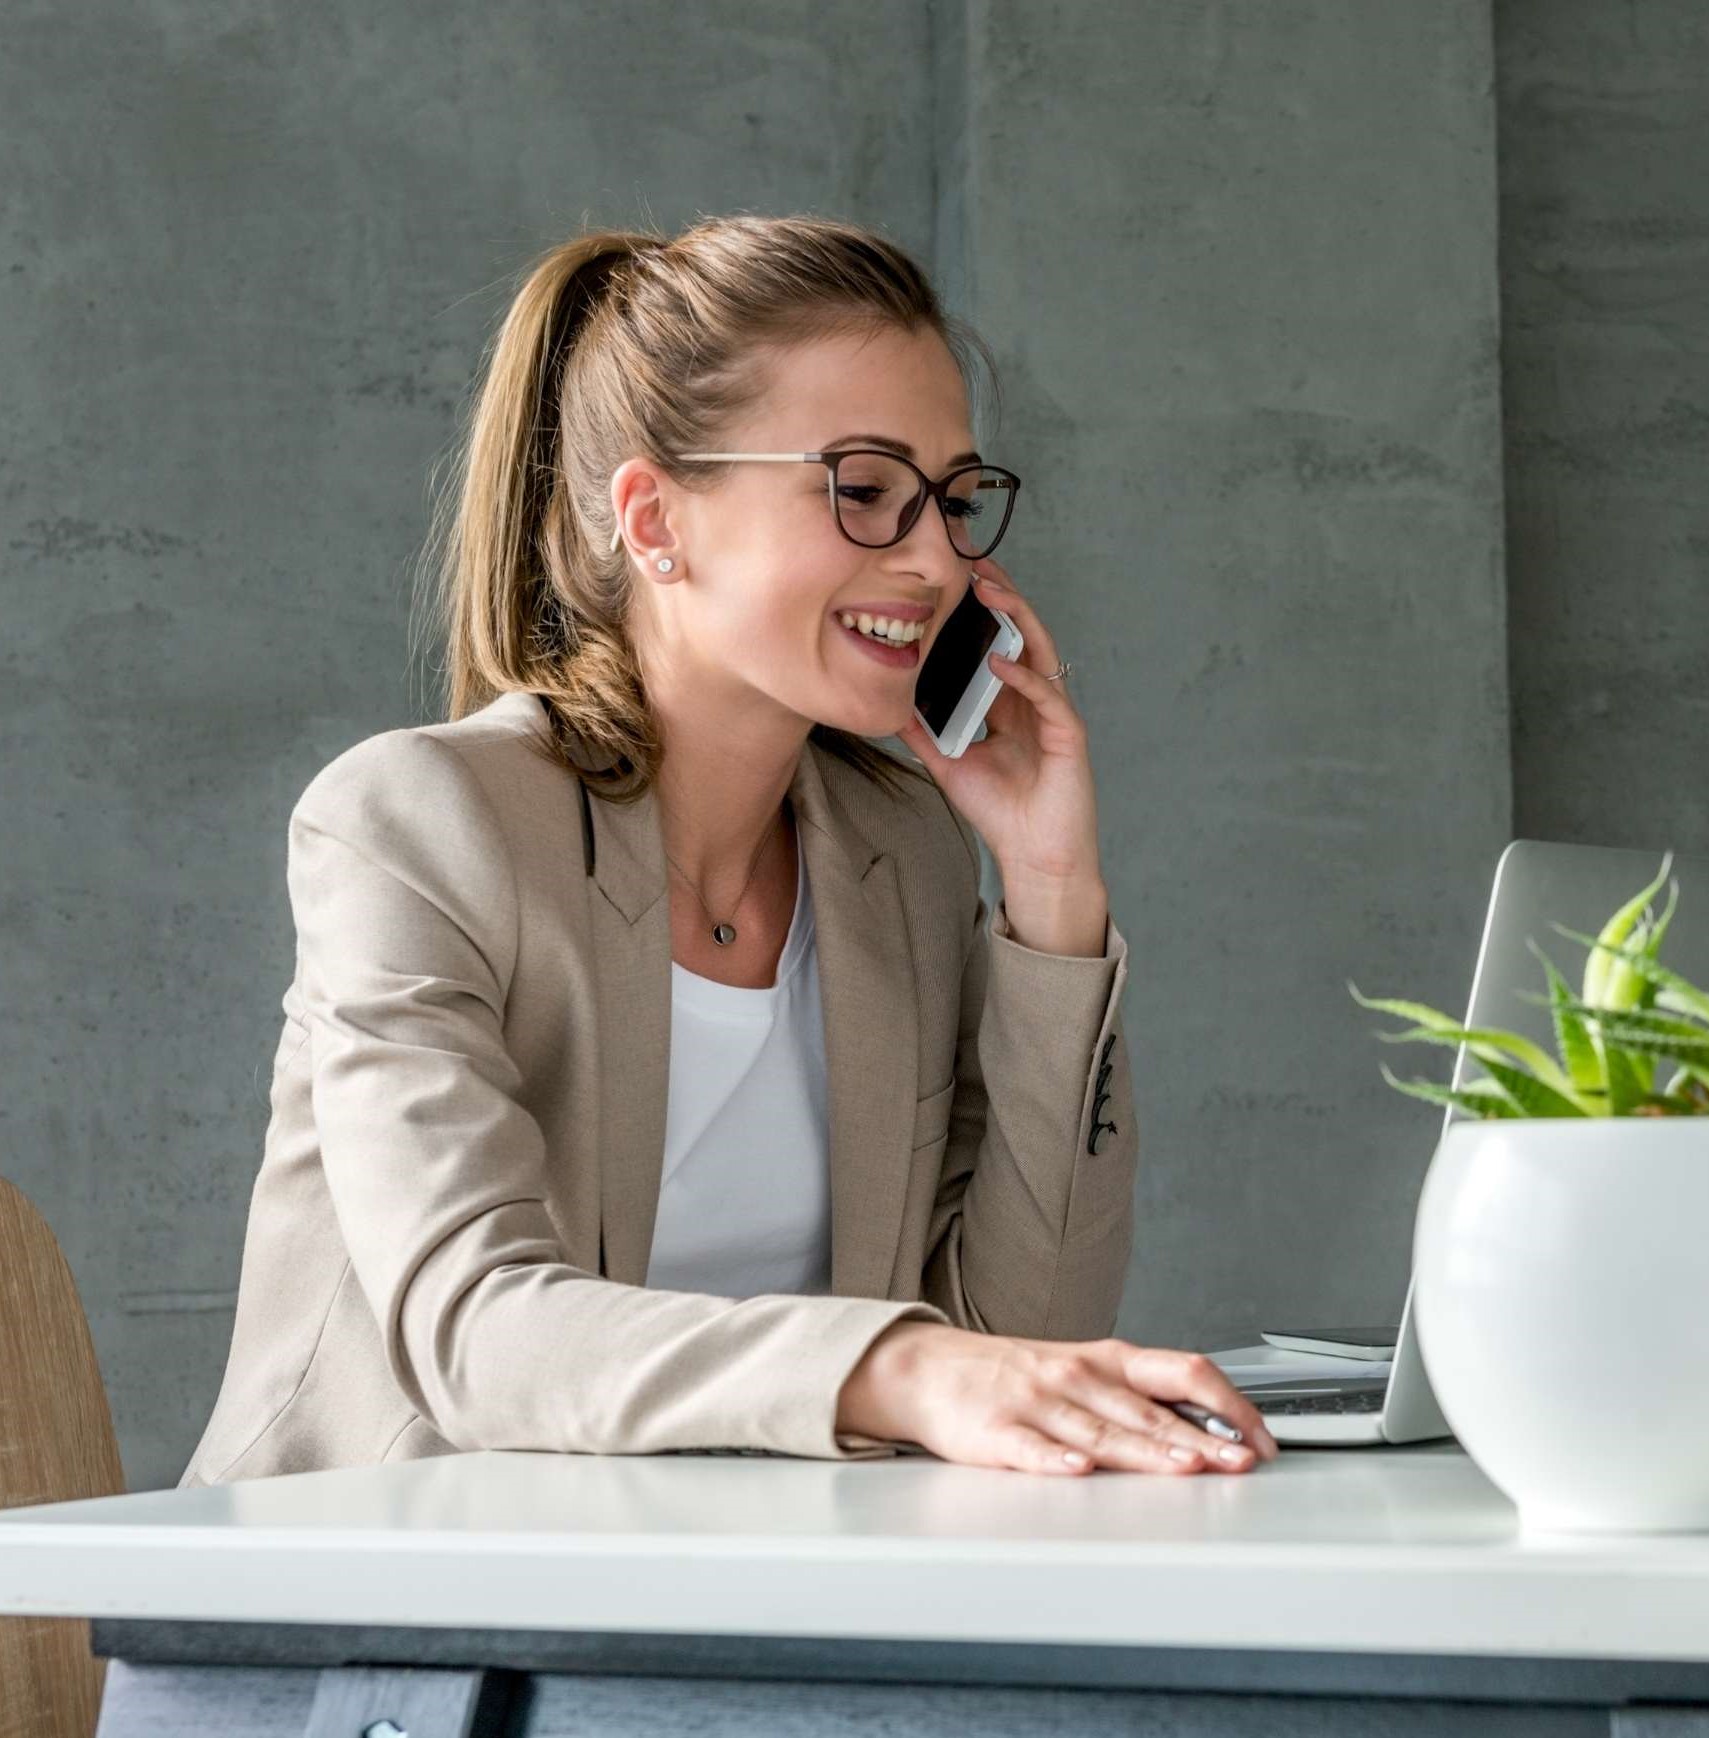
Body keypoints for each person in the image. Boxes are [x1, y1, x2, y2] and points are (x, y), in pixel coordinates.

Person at [178, 214, 1274, 1487]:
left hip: (744, 1608)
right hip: (370, 1631)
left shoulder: (900, 854)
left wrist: (1048, 891)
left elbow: (1018, 1340)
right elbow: (476, 1332)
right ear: (653, 521)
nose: (934, 559)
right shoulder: (416, 826)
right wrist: (899, 1367)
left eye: (955, 499)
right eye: (864, 490)